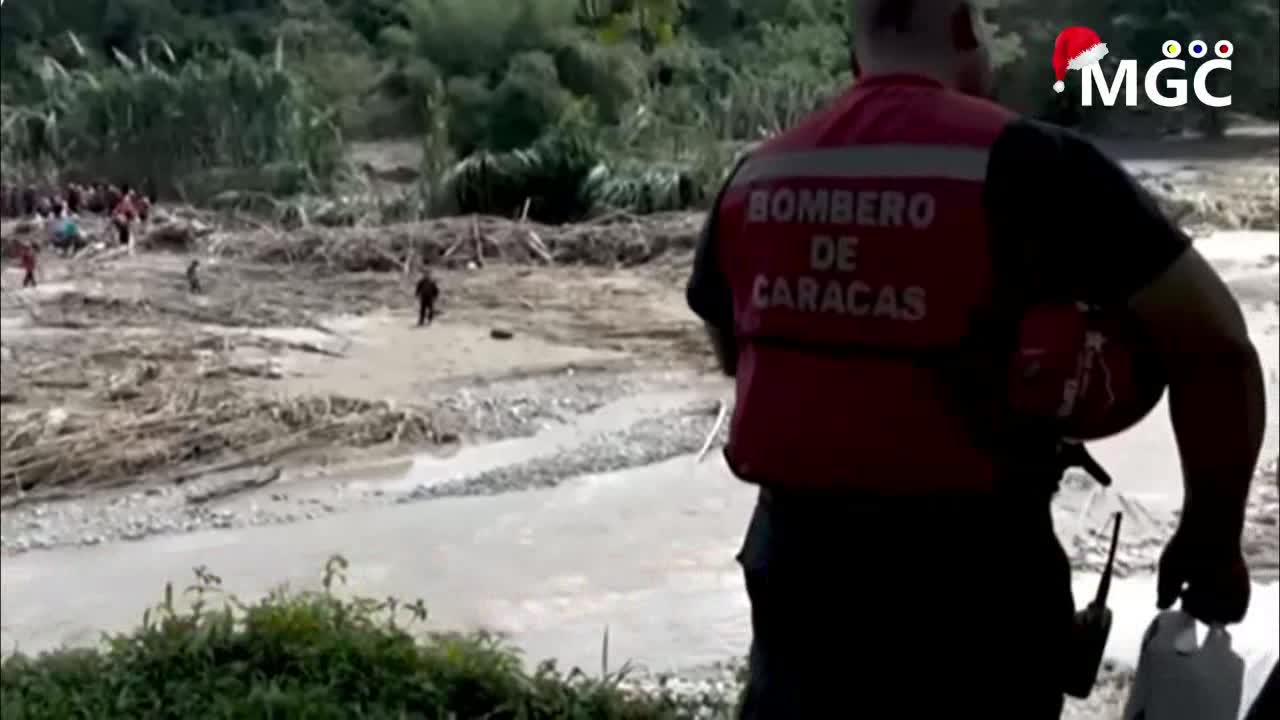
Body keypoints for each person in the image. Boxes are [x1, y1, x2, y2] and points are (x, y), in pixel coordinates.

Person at [685, 2, 1265, 718]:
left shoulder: (758, 174)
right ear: (965, 31)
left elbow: (732, 350)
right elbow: (1217, 345)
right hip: (977, 589)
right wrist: (1210, 541)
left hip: (797, 578)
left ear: (854, 57)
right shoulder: (1034, 163)